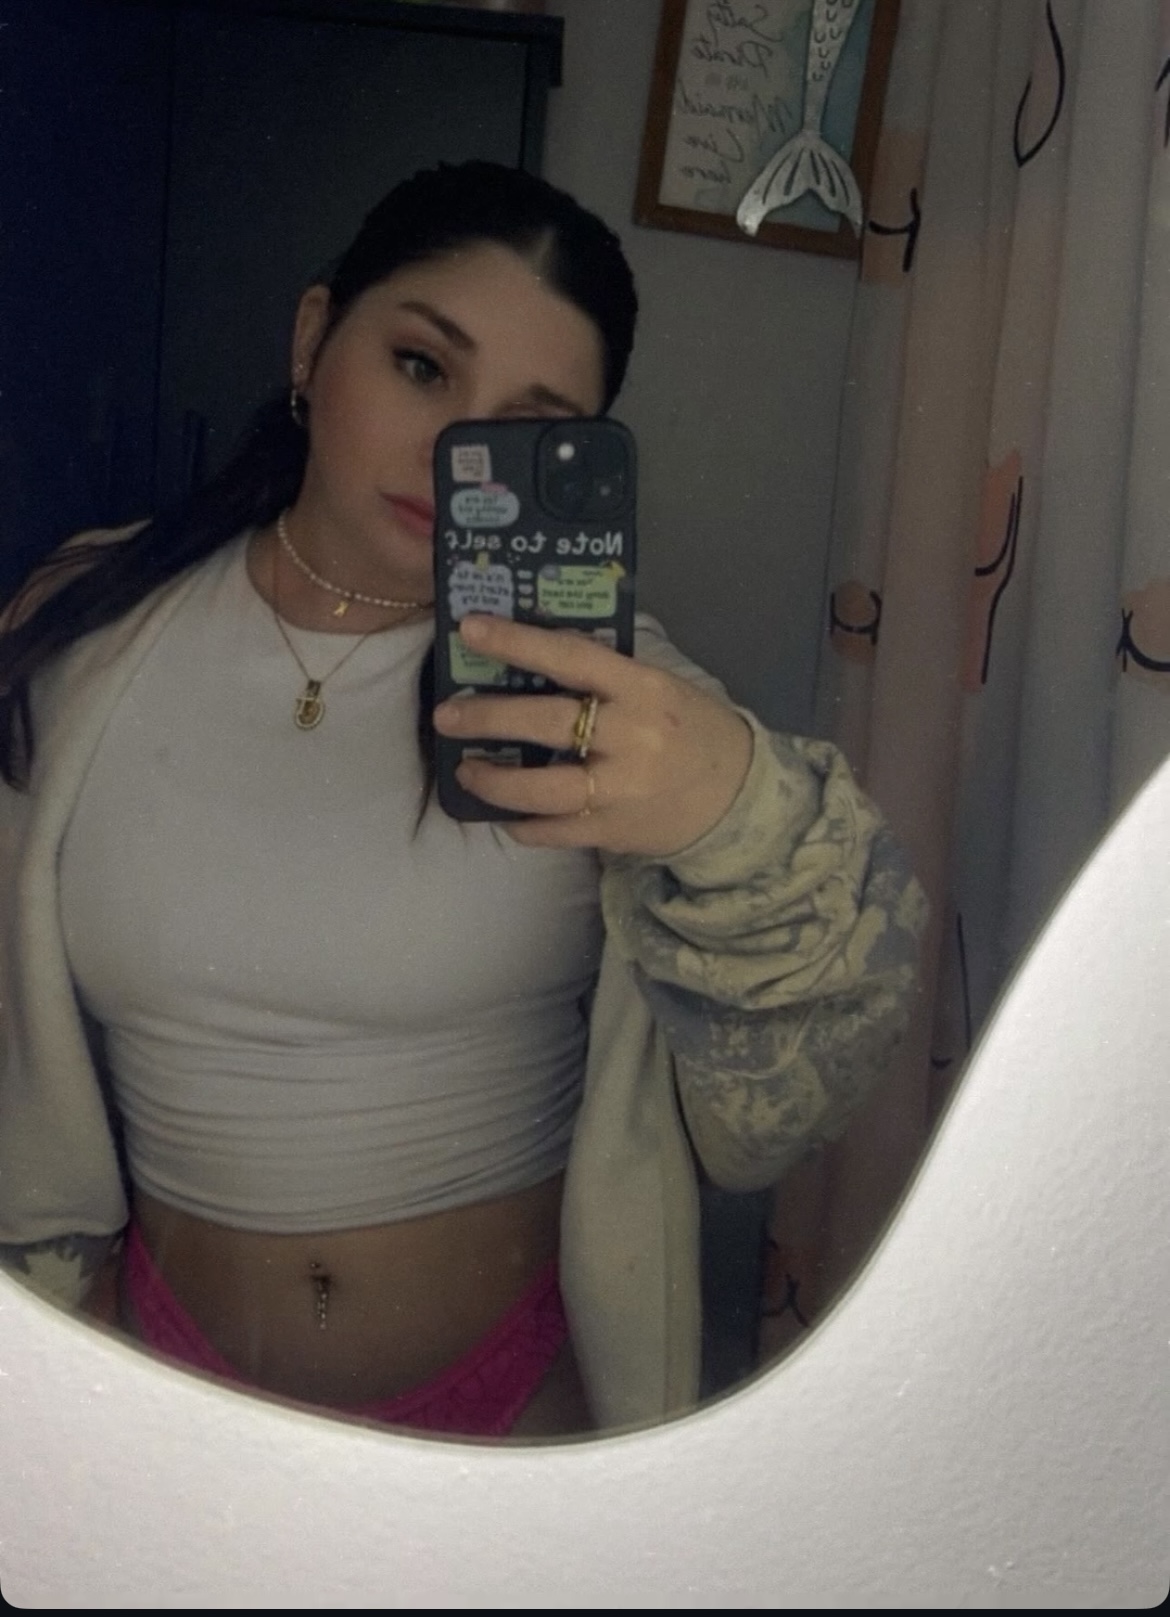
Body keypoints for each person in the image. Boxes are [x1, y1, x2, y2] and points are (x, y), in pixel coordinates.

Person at [0, 161, 925, 1439]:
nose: (455, 461)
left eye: (526, 430)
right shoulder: (89, 626)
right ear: (315, 339)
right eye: (423, 367)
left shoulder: (609, 705)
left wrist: (733, 807)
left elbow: (793, 1099)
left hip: (508, 1418)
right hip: (155, 1392)